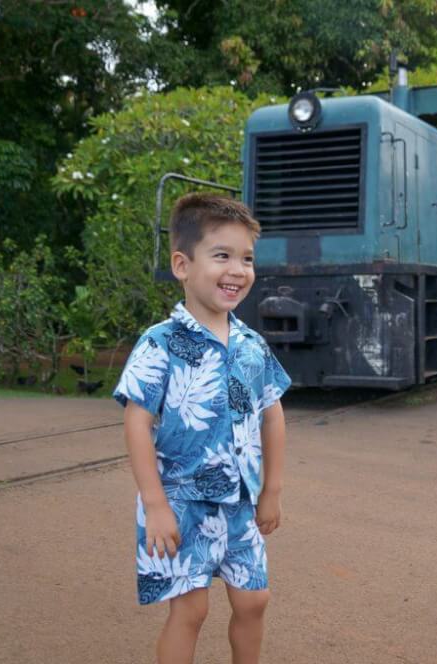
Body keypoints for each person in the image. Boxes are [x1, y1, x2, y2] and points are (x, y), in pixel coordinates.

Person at [112, 193, 291, 664]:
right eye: (222, 256)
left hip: (242, 504)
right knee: (191, 611)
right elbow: (137, 420)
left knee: (254, 600)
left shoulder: (252, 346)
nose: (238, 270)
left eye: (247, 259)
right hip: (179, 502)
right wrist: (155, 505)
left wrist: (272, 489)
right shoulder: (161, 343)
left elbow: (272, 414)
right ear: (181, 265)